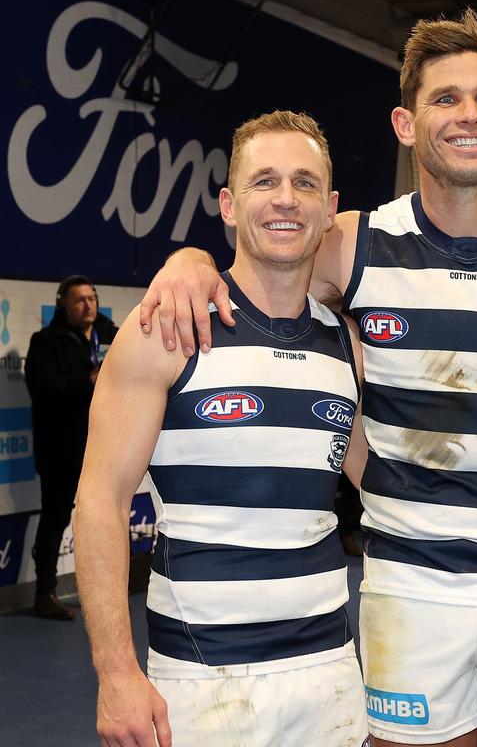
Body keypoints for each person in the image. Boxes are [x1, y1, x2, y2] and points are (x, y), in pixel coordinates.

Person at [139, 11, 477, 747]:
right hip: (409, 592)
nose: (468, 115)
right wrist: (185, 263)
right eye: (444, 99)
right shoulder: (351, 244)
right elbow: (253, 258)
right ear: (406, 124)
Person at [73, 111, 369, 747]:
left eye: (305, 183)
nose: (286, 199)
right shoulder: (166, 333)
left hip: (330, 674)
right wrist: (116, 672)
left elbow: (391, 487)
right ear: (230, 205)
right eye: (265, 181)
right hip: (202, 682)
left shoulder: (348, 347)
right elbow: (99, 502)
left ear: (330, 207)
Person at [24, 275, 118, 620]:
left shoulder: (108, 335)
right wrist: (89, 380)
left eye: (92, 298)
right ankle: (44, 593)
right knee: (55, 518)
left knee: (101, 517)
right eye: (79, 300)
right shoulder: (46, 341)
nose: (88, 305)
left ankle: (102, 591)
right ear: (63, 303)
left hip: (100, 445)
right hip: (60, 448)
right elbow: (44, 387)